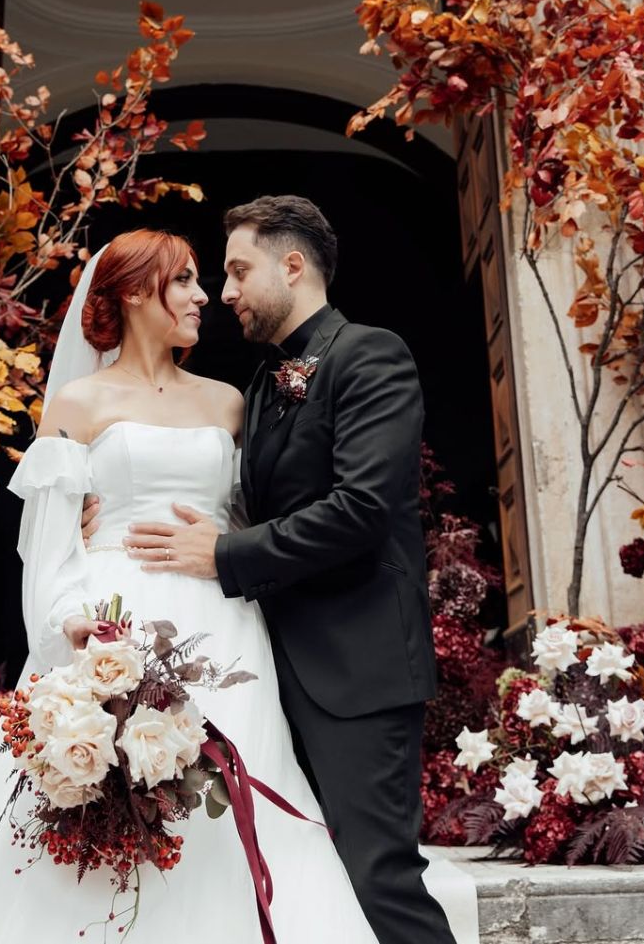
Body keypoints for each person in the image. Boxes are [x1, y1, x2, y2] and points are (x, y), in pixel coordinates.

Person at [0, 227, 379, 944]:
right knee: (104, 799)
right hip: (113, 622)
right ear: (137, 291)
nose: (206, 296)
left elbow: (253, 515)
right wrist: (75, 625)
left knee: (232, 802)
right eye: (186, 281)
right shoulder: (78, 404)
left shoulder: (230, 402)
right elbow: (46, 548)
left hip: (222, 628)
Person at [88, 197, 457, 944]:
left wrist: (224, 553)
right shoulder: (259, 388)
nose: (223, 293)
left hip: (358, 669)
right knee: (302, 885)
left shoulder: (369, 354)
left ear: (293, 266)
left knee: (376, 877)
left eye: (237, 270)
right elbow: (244, 504)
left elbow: (359, 509)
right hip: (268, 667)